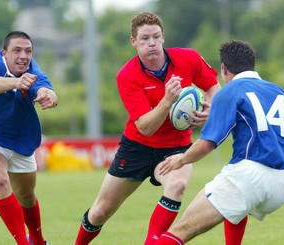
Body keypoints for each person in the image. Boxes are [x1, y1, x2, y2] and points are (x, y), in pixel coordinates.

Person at [74, 12, 221, 245]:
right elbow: (145, 127)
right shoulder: (127, 75)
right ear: (134, 41)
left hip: (176, 147)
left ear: (163, 37)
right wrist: (167, 101)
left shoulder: (189, 58)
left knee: (177, 184)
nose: (151, 43)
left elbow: (214, 88)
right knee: (100, 212)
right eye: (144, 39)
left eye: (156, 36)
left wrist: (210, 110)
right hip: (137, 147)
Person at [153, 40, 284, 245]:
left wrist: (181, 160)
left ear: (224, 68)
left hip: (250, 177)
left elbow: (206, 145)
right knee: (236, 206)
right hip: (283, 183)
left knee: (180, 231)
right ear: (252, 65)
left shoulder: (229, 91)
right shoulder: (279, 91)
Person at [0, 31, 58, 245]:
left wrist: (49, 97)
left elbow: (47, 89)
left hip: (21, 141)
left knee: (26, 197)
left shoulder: (32, 71)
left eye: (28, 51)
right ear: (4, 53)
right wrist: (16, 83)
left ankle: (37, 240)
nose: (23, 55)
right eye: (17, 50)